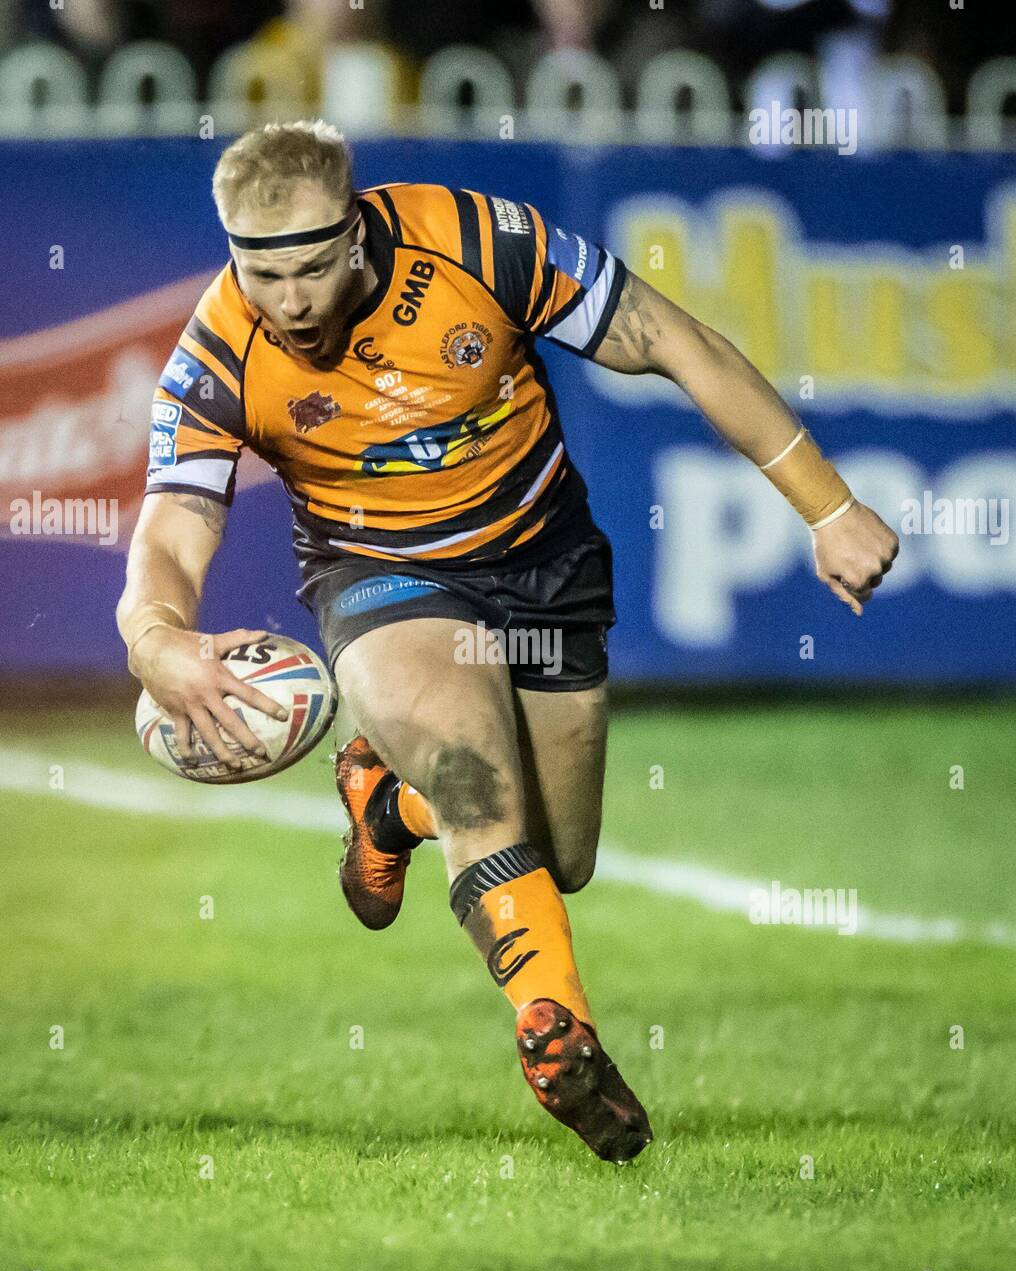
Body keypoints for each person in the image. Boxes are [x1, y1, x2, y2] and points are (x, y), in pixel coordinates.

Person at [117, 119, 898, 1163]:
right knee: (475, 783)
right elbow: (170, 534)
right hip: (382, 579)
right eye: (265, 277)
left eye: (311, 267)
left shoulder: (478, 244)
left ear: (355, 232)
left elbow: (673, 343)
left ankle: (384, 801)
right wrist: (153, 636)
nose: (291, 301)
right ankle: (558, 1032)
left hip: (546, 562)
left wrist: (825, 505)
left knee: (557, 854)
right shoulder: (217, 353)